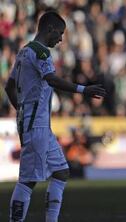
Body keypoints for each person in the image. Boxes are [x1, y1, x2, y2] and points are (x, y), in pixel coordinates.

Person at [5, 11, 106, 222]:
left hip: (36, 123)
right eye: (59, 33)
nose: (60, 39)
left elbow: (9, 86)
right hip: (37, 126)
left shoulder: (24, 52)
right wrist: (83, 89)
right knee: (27, 181)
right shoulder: (41, 53)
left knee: (61, 172)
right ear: (49, 29)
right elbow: (52, 80)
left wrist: (21, 110)